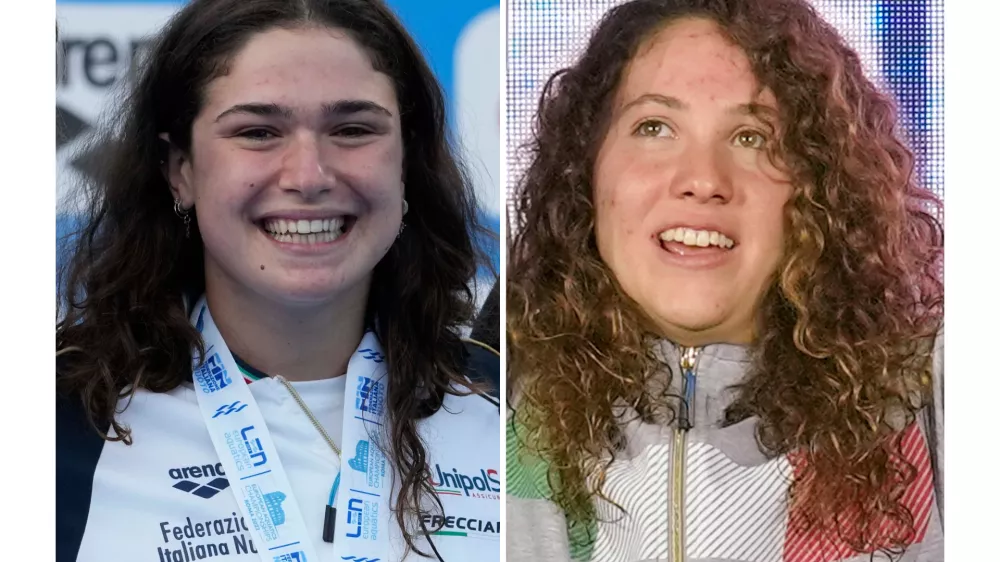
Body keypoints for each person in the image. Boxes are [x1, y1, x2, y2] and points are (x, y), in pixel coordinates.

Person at [55, 1, 500, 561]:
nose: (309, 176)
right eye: (259, 131)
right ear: (180, 170)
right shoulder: (56, 425)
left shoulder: (508, 408)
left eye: (353, 129)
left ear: (406, 162)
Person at [506, 1, 943, 561]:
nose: (703, 180)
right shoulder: (494, 394)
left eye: (751, 137)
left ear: (822, 185)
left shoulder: (929, 399)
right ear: (584, 171)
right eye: (655, 127)